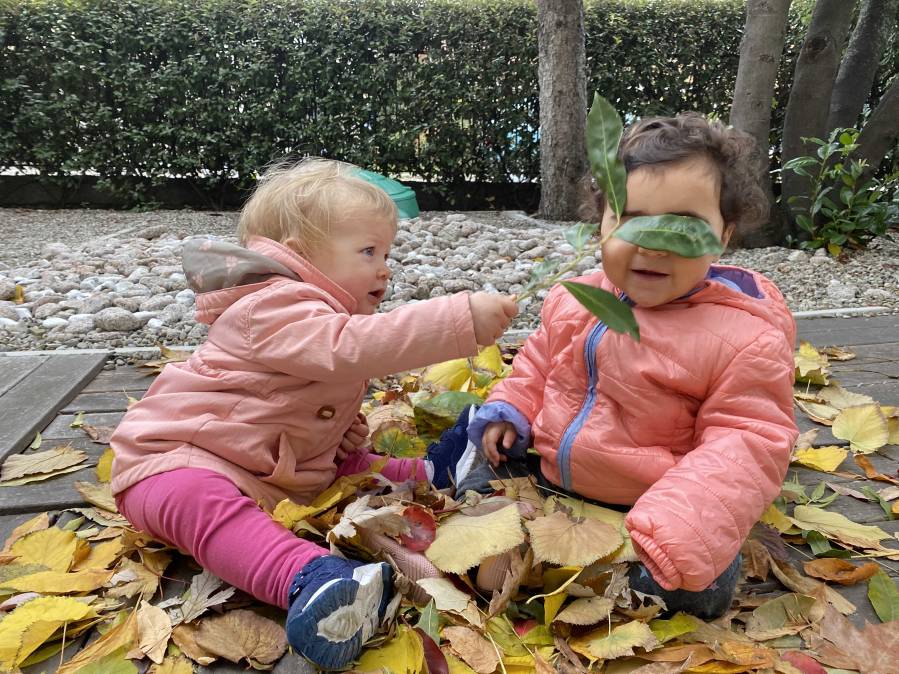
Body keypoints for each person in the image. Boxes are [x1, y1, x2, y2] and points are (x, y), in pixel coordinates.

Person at [109, 158, 518, 669]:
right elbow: (347, 348)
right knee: (199, 499)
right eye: (368, 251)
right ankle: (308, 578)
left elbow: (311, 394)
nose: (385, 268)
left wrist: (343, 430)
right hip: (178, 460)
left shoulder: (321, 313)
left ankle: (433, 471)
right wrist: (457, 320)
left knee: (347, 465)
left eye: (386, 253)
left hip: (279, 465)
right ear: (300, 254)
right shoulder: (269, 305)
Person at [426, 113, 798, 619]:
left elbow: (746, 443)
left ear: (724, 234)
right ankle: (531, 550)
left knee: (691, 584)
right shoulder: (575, 299)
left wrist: (679, 526)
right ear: (600, 224)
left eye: (683, 225)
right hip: (550, 478)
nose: (652, 243)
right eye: (629, 219)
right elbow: (539, 363)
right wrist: (512, 408)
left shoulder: (744, 338)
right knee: (480, 474)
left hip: (651, 508)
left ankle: (585, 575)